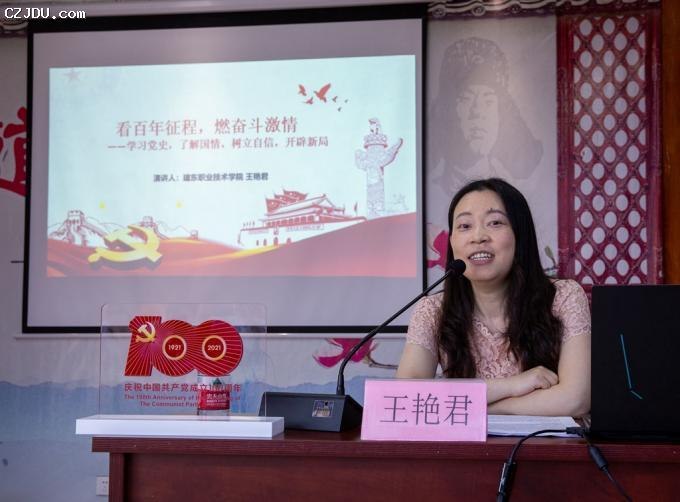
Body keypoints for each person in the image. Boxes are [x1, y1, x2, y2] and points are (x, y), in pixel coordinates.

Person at [397, 178, 590, 417]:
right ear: (452, 242)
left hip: (545, 441)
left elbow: (575, 400)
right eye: (465, 226)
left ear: (520, 235)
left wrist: (478, 408)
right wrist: (512, 386)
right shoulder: (432, 310)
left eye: (495, 222)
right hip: (465, 443)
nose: (478, 236)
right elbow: (406, 396)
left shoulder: (564, 297)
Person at [430, 38, 543, 192]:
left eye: (488, 101)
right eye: (466, 99)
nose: (477, 113)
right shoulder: (434, 190)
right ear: (449, 111)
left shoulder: (518, 190)